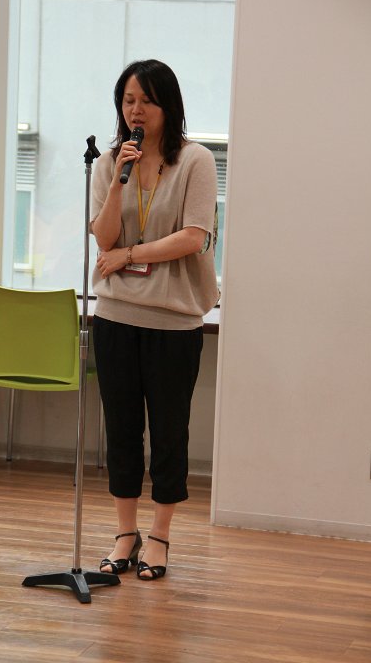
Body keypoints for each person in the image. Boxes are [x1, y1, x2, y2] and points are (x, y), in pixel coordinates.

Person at [90, 59, 219, 580]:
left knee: (168, 432)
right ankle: (125, 534)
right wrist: (117, 184)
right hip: (116, 316)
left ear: (168, 105)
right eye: (128, 101)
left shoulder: (195, 161)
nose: (136, 110)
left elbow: (193, 236)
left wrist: (130, 253)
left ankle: (160, 535)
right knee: (121, 430)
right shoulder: (109, 164)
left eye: (146, 100)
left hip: (173, 322)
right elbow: (102, 238)